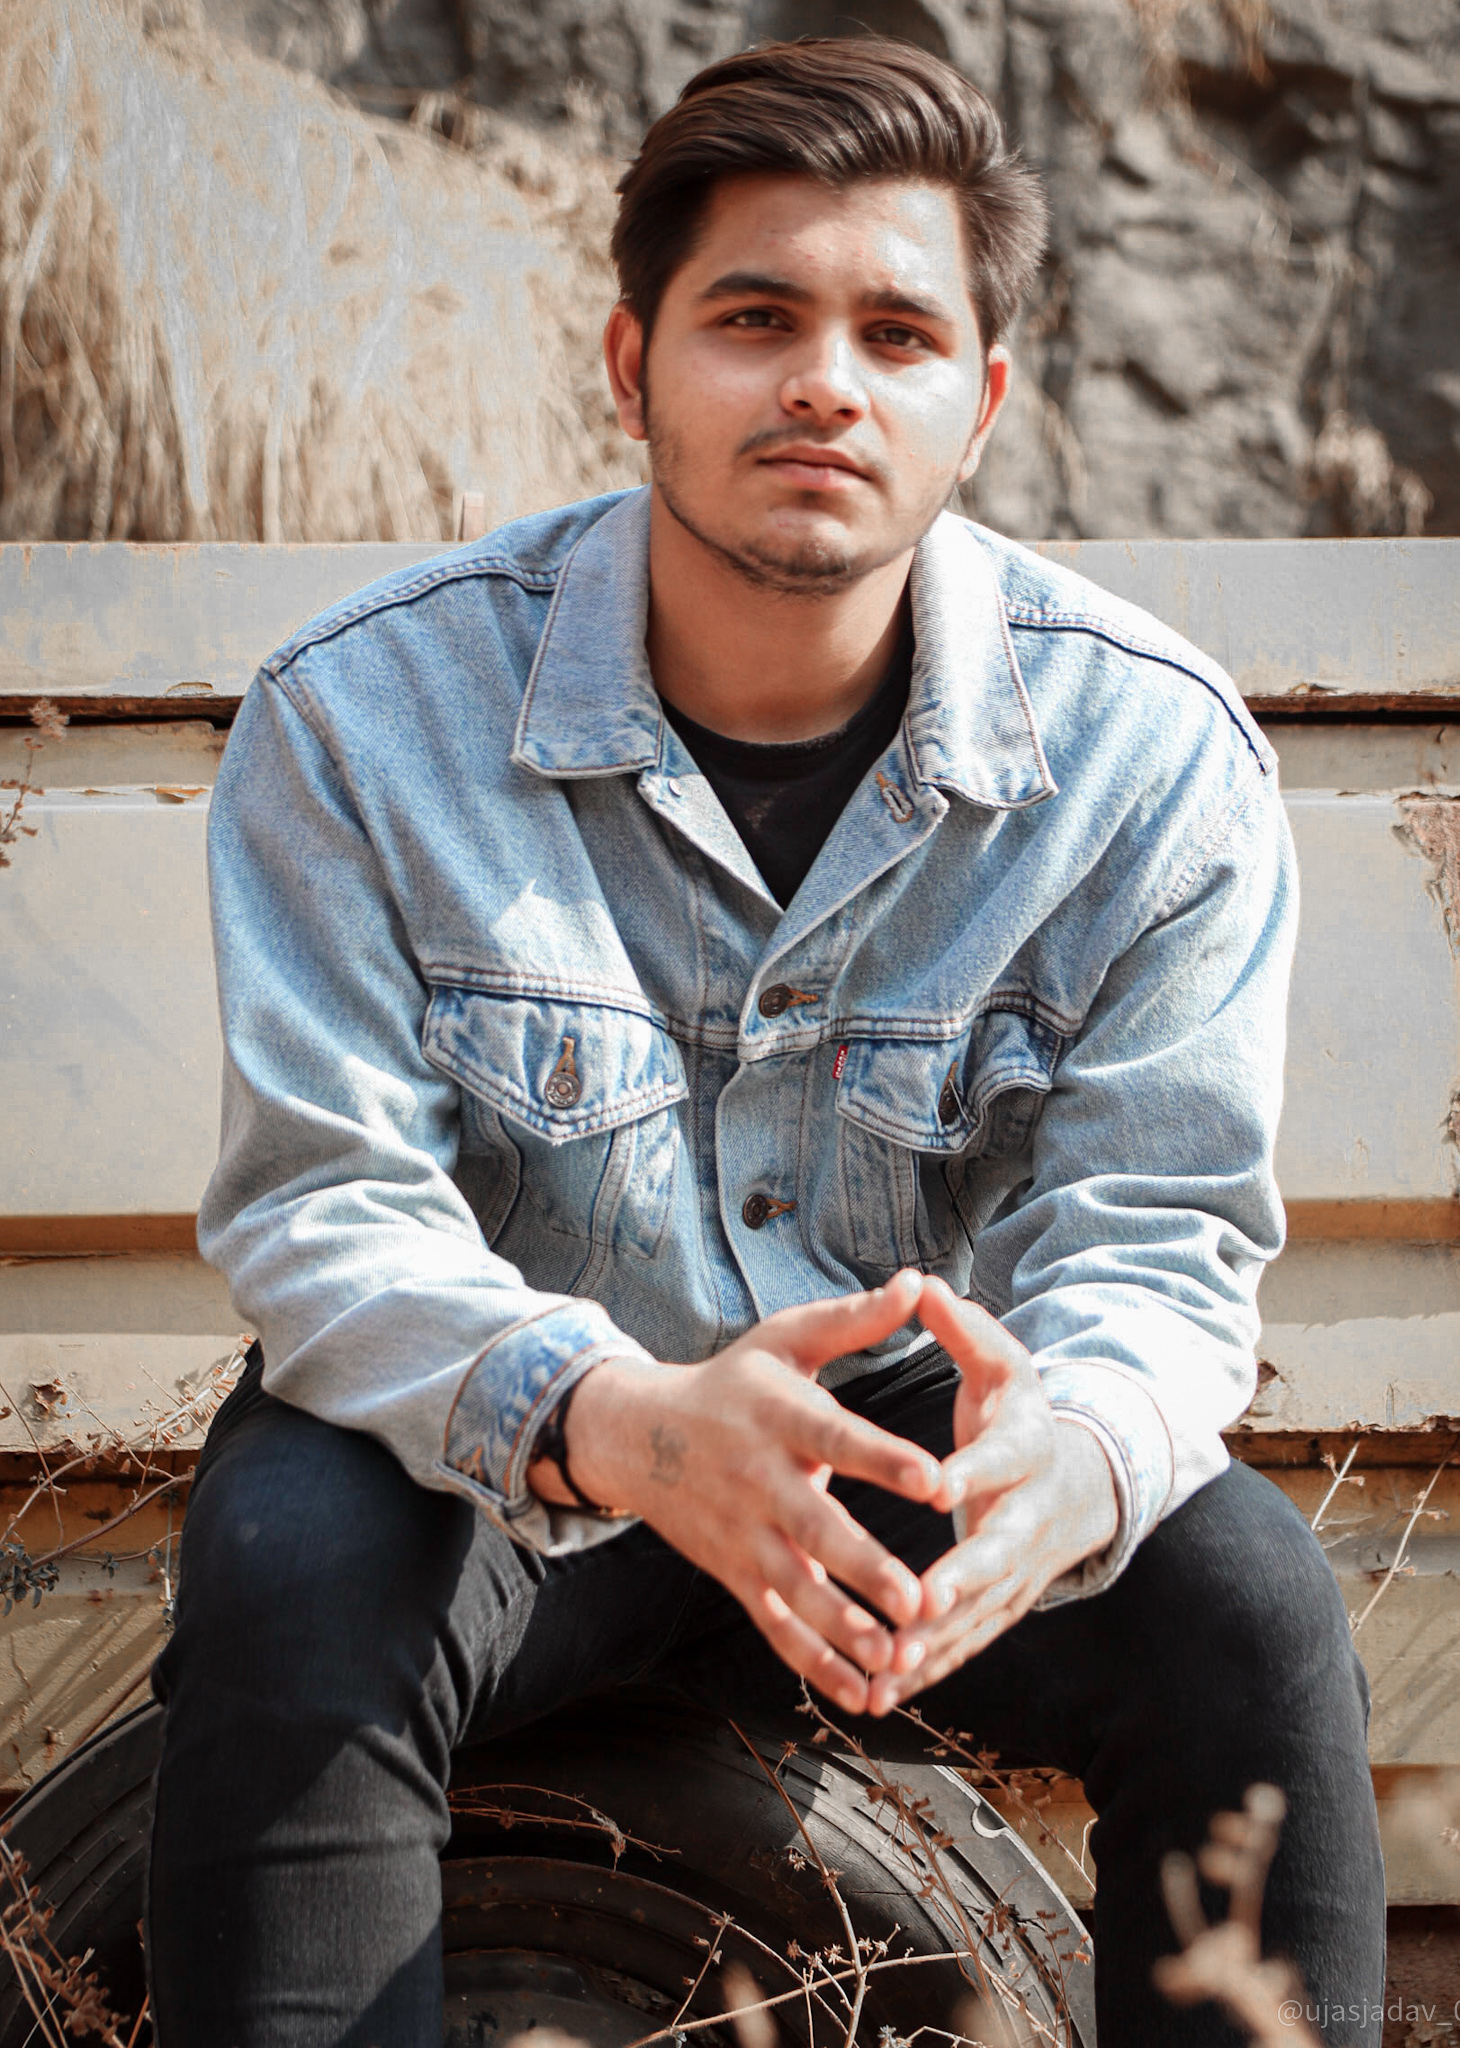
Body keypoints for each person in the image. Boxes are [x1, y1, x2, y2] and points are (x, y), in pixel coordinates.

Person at [148, 36, 1385, 2046]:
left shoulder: (1152, 762)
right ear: (630, 368)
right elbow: (328, 1212)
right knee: (287, 1555)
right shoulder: (366, 715)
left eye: (897, 333)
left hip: (904, 1464)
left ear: (980, 405)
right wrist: (639, 1426)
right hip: (503, 1435)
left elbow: (1160, 1243)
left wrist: (1067, 1465)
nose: (825, 381)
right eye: (754, 319)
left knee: (1245, 1601)